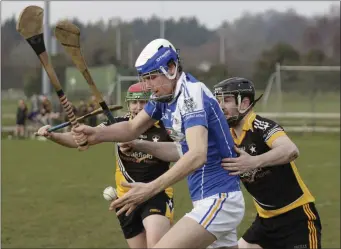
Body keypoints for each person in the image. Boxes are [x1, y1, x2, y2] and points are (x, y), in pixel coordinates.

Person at [71, 38, 244, 248]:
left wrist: (150, 189)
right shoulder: (165, 98)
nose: (148, 86)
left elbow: (198, 155)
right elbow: (132, 128)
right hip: (208, 199)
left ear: (171, 68)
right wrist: (96, 135)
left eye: (152, 77)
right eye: (145, 79)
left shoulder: (190, 95)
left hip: (219, 198)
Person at [36, 82, 175, 248]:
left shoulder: (166, 126)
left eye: (143, 102)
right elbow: (80, 140)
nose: (138, 107)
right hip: (125, 198)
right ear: (128, 104)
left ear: (152, 103)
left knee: (156, 243)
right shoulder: (119, 125)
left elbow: (184, 151)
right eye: (134, 102)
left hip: (156, 193)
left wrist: (138, 144)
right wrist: (53, 136)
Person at [213, 77, 322, 249]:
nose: (220, 106)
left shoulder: (261, 126)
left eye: (226, 100)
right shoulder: (227, 135)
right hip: (265, 222)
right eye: (218, 101)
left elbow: (290, 150)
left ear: (244, 103)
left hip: (296, 219)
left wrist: (253, 162)